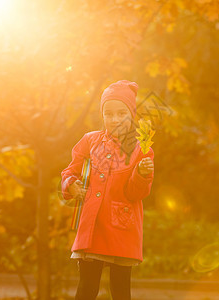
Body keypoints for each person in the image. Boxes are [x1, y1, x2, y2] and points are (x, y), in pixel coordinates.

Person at [61, 80, 154, 300]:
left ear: (131, 114)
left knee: (120, 290)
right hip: (92, 227)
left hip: (122, 227)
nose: (114, 119)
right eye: (108, 113)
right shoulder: (90, 141)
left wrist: (141, 173)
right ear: (102, 114)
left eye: (122, 113)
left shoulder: (141, 148)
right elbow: (70, 171)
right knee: (87, 288)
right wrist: (71, 185)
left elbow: (135, 194)